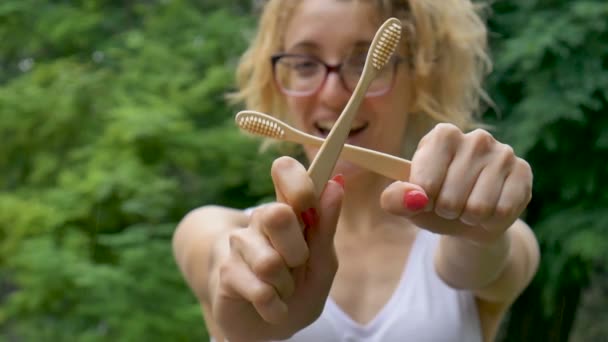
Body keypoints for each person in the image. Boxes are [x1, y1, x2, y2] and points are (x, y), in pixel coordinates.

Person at [172, 0, 540, 341]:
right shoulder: (221, 232)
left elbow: (478, 264)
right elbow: (220, 259)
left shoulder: (495, 234)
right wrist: (251, 279)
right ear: (278, 84)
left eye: (364, 60)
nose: (334, 95)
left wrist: (478, 229)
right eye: (304, 64)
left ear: (421, 78)